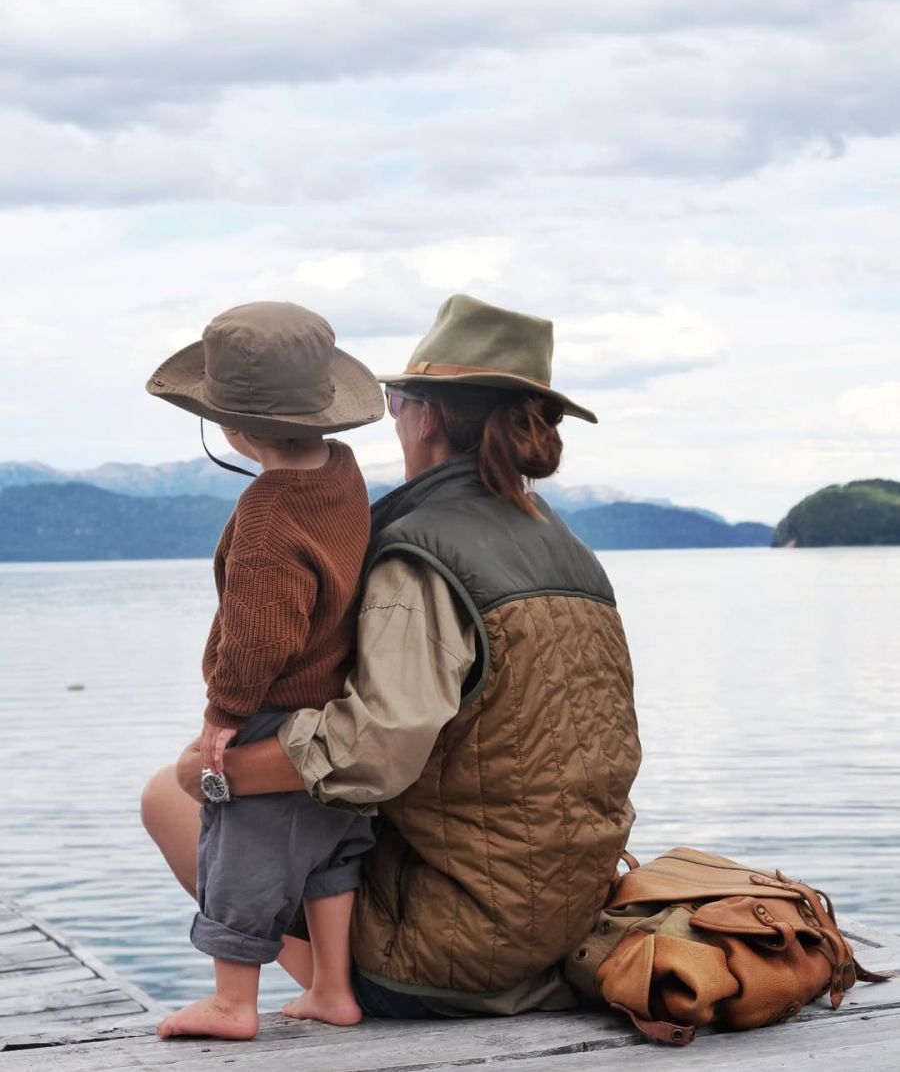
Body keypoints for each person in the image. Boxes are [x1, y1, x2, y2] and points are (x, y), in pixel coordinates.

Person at [142, 293, 641, 1019]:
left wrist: (217, 772)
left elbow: (374, 747)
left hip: (454, 954)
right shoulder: (570, 550)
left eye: (397, 398)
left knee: (169, 792)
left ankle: (310, 992)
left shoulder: (421, 556)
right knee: (318, 825)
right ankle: (329, 988)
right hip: (559, 923)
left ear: (427, 416)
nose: (393, 412)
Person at [145, 301, 384, 1039]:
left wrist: (223, 713)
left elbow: (257, 638)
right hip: (333, 704)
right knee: (328, 853)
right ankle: (334, 988)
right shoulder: (342, 475)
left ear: (236, 428)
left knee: (239, 854)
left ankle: (231, 1003)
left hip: (275, 711)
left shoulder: (266, 519)